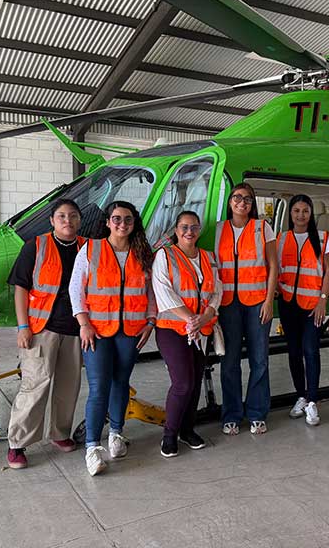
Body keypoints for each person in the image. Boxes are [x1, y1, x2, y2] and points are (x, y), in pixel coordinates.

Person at [69, 201, 156, 476]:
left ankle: (116, 434)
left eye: (127, 219)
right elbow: (76, 290)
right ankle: (93, 448)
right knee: (99, 387)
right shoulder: (91, 250)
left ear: (134, 223)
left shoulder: (143, 253)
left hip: (131, 330)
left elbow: (151, 293)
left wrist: (151, 322)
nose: (122, 224)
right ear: (107, 222)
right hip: (97, 331)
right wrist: (83, 323)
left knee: (121, 382)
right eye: (116, 219)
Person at [5, 199, 85, 469]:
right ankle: (18, 442)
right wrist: (23, 326)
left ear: (79, 220)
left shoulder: (88, 248)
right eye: (61, 216)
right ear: (52, 221)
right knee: (36, 385)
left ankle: (60, 433)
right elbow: (20, 288)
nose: (68, 221)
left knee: (68, 385)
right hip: (41, 328)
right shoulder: (35, 247)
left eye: (73, 216)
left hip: (75, 330)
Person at [153, 211, 222, 457]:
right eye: (184, 227)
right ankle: (169, 435)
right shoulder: (165, 255)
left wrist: (203, 318)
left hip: (201, 329)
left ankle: (187, 430)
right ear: (177, 229)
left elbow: (217, 290)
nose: (189, 231)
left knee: (194, 384)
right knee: (182, 383)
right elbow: (164, 292)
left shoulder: (208, 257)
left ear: (199, 229)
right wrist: (190, 319)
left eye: (193, 227)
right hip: (172, 329)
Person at [215, 182, 279, 436]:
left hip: (257, 304)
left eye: (248, 199)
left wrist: (268, 302)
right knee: (229, 362)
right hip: (228, 303)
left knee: (259, 359)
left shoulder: (263, 227)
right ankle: (231, 414)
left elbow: (273, 266)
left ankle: (256, 413)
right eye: (238, 198)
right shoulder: (219, 229)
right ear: (230, 201)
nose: (242, 202)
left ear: (252, 205)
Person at [277, 195, 329, 426]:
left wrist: (323, 300)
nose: (300, 215)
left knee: (311, 351)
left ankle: (312, 401)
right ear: (290, 214)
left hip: (313, 305)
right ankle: (301, 395)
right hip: (288, 304)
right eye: (296, 211)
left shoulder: (322, 237)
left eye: (305, 211)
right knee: (293, 352)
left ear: (311, 214)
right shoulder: (281, 238)